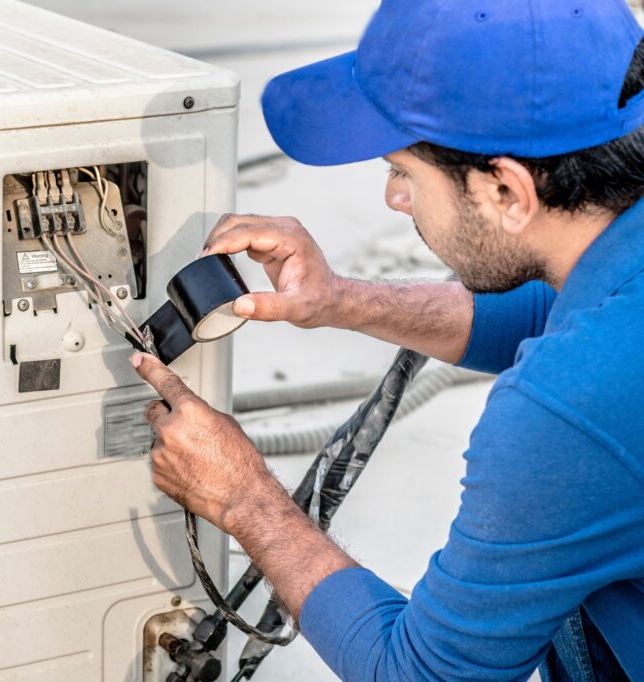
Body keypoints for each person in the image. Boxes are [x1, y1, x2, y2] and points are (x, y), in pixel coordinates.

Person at [130, 1, 644, 679]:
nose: (393, 198)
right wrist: (340, 299)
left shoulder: (565, 412)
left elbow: (423, 673)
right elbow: (559, 313)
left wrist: (244, 498)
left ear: (509, 191)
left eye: (403, 172)